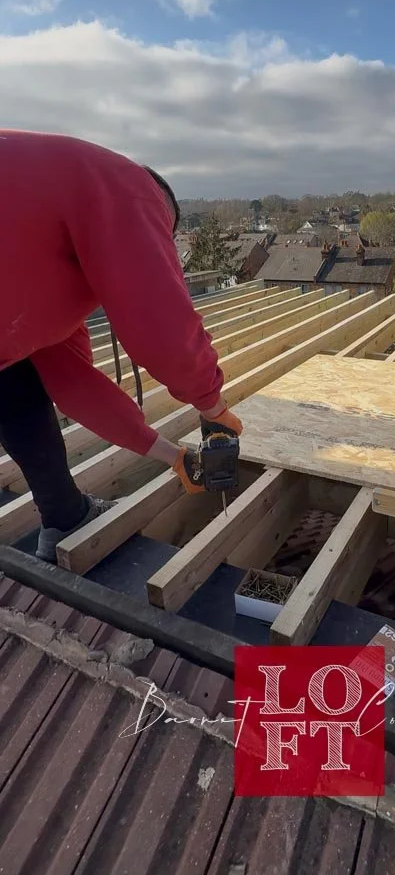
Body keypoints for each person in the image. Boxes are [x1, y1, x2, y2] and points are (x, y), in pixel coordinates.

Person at [0, 129, 243, 562]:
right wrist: (212, 406)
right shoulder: (127, 186)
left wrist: (170, 455)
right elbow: (161, 319)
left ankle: (66, 517)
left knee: (16, 380)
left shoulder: (39, 277)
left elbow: (75, 387)